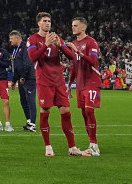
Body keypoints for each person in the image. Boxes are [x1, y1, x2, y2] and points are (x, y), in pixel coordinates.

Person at [27, 12, 87, 157]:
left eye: (49, 21)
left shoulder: (56, 37)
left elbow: (72, 57)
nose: (48, 23)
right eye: (45, 21)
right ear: (38, 24)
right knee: (45, 112)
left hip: (58, 81)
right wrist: (46, 45)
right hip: (44, 81)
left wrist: (60, 46)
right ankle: (48, 146)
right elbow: (33, 58)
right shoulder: (32, 39)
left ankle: (72, 147)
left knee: (66, 112)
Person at [69, 17, 101, 155]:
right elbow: (75, 66)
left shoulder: (91, 42)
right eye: (72, 25)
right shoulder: (75, 43)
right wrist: (70, 84)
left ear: (83, 27)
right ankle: (91, 143)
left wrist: (78, 51)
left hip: (92, 81)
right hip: (80, 83)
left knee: (89, 111)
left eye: (75, 25)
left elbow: (93, 61)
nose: (73, 28)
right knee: (84, 113)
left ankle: (94, 145)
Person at [9, 30, 37, 131]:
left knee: (31, 101)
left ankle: (33, 124)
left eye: (11, 38)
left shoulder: (25, 47)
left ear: (17, 38)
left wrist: (23, 77)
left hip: (29, 78)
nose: (10, 41)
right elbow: (17, 67)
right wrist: (13, 80)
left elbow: (28, 63)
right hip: (21, 78)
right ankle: (29, 121)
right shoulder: (16, 49)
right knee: (23, 101)